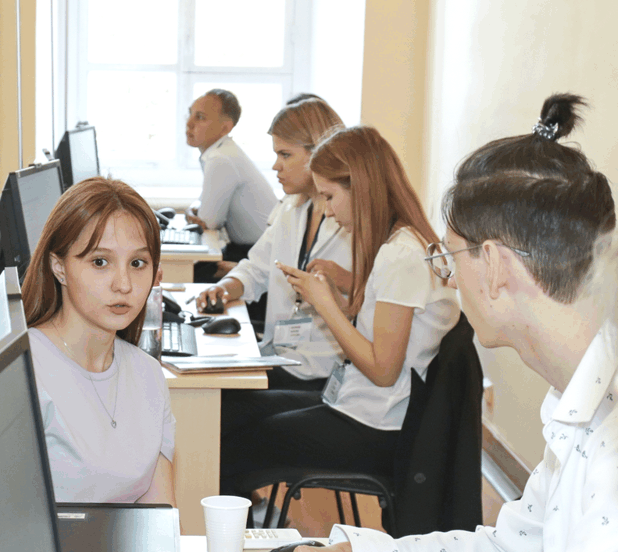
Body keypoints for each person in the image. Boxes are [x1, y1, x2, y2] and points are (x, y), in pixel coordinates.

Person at [283, 94, 618, 552]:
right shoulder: (578, 398)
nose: (449, 276)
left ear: (495, 265)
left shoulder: (608, 445)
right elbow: (515, 551)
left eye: (449, 257)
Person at [220, 125, 459, 499]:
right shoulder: (400, 243)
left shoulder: (401, 255)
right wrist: (341, 302)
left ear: (361, 188)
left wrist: (326, 305)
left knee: (233, 446)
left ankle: (230, 529)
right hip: (358, 404)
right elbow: (383, 334)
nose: (328, 211)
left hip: (375, 427)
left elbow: (383, 371)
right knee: (232, 410)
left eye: (330, 197)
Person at [22, 176, 175, 504]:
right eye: (100, 262)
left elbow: (159, 519)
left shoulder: (148, 375)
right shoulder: (24, 372)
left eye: (137, 263)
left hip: (125, 541)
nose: (124, 284)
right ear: (59, 267)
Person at [199, 95, 351, 395]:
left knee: (216, 397)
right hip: (280, 355)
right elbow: (256, 268)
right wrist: (225, 288)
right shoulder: (291, 208)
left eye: (285, 155)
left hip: (321, 371)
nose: (275, 166)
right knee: (207, 377)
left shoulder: (351, 221)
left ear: (319, 153)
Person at [185, 88, 278, 278]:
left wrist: (193, 213)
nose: (189, 123)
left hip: (258, 255)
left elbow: (208, 221)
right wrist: (191, 211)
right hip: (251, 249)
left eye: (200, 117)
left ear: (225, 128)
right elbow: (202, 204)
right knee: (193, 268)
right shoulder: (221, 152)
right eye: (190, 114)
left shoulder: (221, 159)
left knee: (190, 273)